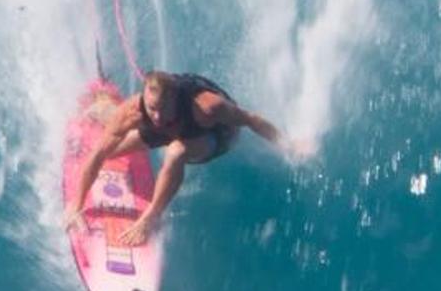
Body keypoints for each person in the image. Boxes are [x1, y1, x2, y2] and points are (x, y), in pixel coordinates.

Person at [64, 70, 311, 245]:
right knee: (108, 147)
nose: (157, 116)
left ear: (175, 100)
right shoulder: (137, 110)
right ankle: (103, 102)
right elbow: (98, 153)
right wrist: (76, 206)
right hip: (172, 131)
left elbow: (251, 120)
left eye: (162, 108)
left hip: (213, 137)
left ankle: (151, 216)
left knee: (175, 152)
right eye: (151, 109)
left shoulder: (206, 108)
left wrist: (288, 145)